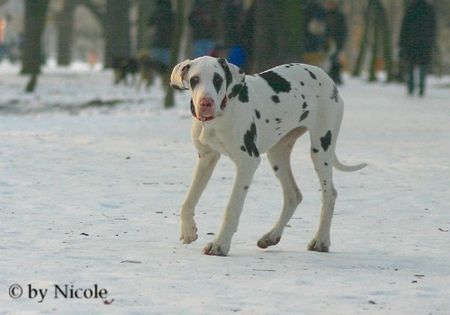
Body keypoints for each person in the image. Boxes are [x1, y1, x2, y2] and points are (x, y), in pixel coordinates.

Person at [399, 0, 436, 96]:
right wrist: (431, 41)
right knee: (423, 66)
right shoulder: (429, 9)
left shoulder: (411, 9)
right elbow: (433, 27)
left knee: (411, 65)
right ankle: (421, 87)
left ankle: (411, 87)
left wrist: (402, 42)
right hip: (425, 42)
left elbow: (404, 27)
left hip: (411, 42)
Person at [324, 0, 347, 85]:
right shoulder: (324, 14)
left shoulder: (339, 16)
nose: (329, 6)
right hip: (325, 42)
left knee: (335, 60)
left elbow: (343, 30)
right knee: (327, 60)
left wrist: (340, 42)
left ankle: (336, 78)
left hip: (336, 41)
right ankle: (330, 77)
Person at [148, 0, 173, 67]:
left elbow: (150, 29)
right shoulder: (171, 14)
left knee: (155, 67)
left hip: (156, 44)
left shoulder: (154, 13)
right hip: (167, 44)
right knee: (166, 67)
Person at [303, 1, 327, 67]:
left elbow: (318, 26)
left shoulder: (317, 8)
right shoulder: (318, 8)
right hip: (309, 43)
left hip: (313, 44)